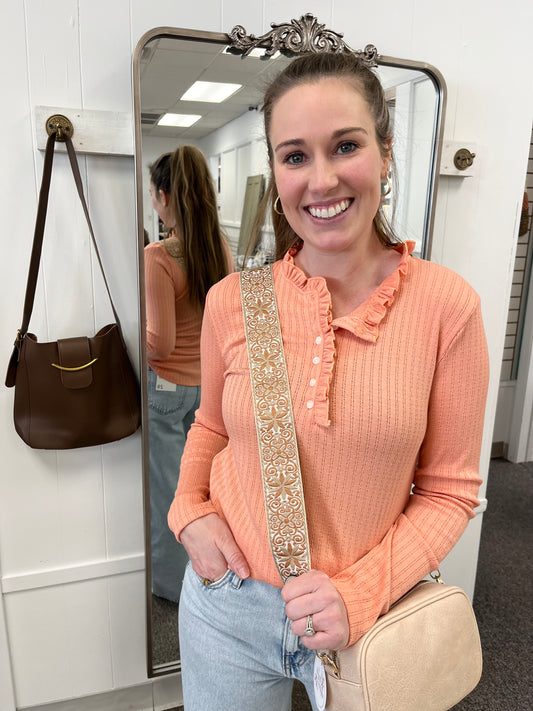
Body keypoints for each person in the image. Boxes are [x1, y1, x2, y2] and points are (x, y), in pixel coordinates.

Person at [168, 52, 489, 709]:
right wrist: (187, 511)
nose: (320, 180)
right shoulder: (234, 300)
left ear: (386, 153)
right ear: (275, 170)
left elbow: (449, 490)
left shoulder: (445, 307)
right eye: (294, 156)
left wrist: (363, 588)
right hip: (226, 603)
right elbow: (208, 428)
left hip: (368, 614)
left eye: (344, 146)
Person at [145, 145, 234, 602]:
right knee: (205, 493)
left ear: (163, 196)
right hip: (210, 393)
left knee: (168, 495)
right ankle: (210, 577)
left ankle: (171, 589)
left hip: (166, 391)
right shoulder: (219, 248)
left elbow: (157, 343)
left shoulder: (160, 256)